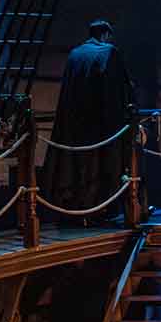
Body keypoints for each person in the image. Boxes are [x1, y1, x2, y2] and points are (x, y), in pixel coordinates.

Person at [43, 19, 137, 221]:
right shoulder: (108, 52)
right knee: (103, 165)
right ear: (105, 34)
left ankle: (80, 206)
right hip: (101, 122)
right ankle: (103, 207)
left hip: (76, 122)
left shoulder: (75, 54)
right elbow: (120, 89)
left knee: (80, 165)